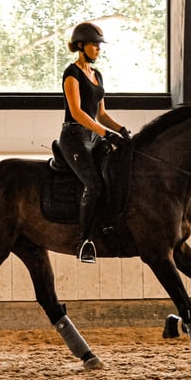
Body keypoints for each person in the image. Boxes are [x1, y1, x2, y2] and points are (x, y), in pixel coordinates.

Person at [59, 21, 132, 263]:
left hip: (93, 135)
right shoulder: (72, 74)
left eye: (99, 46)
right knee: (93, 185)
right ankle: (85, 241)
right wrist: (105, 133)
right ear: (81, 46)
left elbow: (101, 114)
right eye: (94, 45)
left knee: (117, 172)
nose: (98, 50)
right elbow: (78, 112)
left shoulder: (97, 75)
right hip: (74, 138)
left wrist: (120, 130)